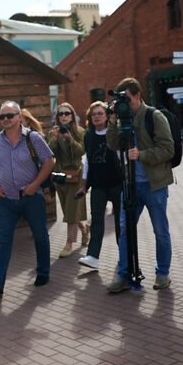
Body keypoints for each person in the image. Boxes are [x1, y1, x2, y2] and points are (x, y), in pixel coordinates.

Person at [105, 77, 175, 292]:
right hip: (130, 184)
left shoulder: (154, 116)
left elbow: (168, 149)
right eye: (120, 100)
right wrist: (112, 122)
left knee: (160, 231)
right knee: (125, 230)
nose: (124, 104)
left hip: (154, 185)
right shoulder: (120, 119)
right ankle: (124, 273)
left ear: (138, 95)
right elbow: (113, 144)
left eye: (127, 99)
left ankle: (162, 273)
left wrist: (142, 155)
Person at [0, 100, 56, 295]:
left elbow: (49, 161)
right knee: (2, 240)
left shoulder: (33, 138)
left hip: (31, 198)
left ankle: (43, 272)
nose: (5, 120)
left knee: (40, 235)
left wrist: (35, 185)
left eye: (9, 116)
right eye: (2, 117)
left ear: (19, 117)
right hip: (6, 200)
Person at [77, 101, 123, 270]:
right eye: (93, 114)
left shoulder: (114, 132)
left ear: (107, 115)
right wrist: (84, 184)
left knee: (121, 222)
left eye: (100, 113)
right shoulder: (88, 135)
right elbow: (87, 161)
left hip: (117, 184)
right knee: (96, 221)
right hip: (98, 186)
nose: (96, 116)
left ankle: (124, 257)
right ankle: (93, 256)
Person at [46, 102, 88, 257]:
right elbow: (50, 152)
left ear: (72, 116)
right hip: (60, 176)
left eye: (67, 113)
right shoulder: (53, 132)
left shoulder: (80, 131)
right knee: (69, 211)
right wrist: (55, 139)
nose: (63, 116)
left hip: (76, 175)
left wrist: (70, 140)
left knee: (71, 211)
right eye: (60, 114)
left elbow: (82, 151)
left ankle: (69, 244)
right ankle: (84, 230)